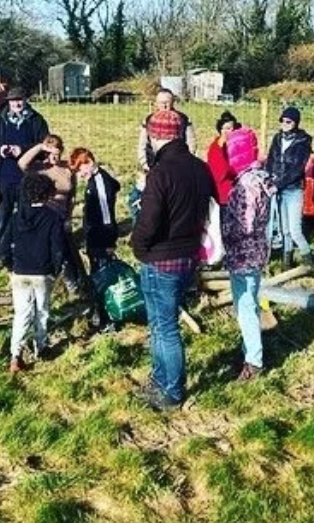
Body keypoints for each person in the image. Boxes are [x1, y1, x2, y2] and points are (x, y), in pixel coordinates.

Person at [131, 109, 214, 411]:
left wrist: (138, 247)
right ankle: (160, 379)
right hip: (188, 256)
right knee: (161, 324)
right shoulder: (200, 168)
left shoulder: (161, 173)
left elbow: (148, 221)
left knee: (164, 327)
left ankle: (171, 391)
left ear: (156, 136)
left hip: (160, 259)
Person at [221, 127, 275, 382]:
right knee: (249, 302)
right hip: (257, 251)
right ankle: (248, 351)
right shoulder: (261, 177)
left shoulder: (245, 184)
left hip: (243, 253)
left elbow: (246, 224)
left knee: (245, 307)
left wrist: (221, 230)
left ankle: (254, 361)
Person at [0, 87, 49, 269]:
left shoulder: (36, 120)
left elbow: (43, 145)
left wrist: (23, 150)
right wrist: (1, 149)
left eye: (19, 100)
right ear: (8, 102)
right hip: (4, 176)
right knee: (2, 217)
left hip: (27, 178)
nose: (16, 104)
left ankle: (22, 253)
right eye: (13, 101)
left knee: (24, 216)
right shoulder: (0, 118)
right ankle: (1, 254)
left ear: (25, 99)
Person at [9, 173, 66, 372]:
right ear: (47, 193)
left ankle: (15, 354)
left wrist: (10, 265)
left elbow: (7, 242)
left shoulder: (17, 216)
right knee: (41, 311)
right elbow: (57, 247)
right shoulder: (52, 217)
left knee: (21, 313)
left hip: (19, 271)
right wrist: (57, 269)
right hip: (42, 272)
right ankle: (40, 347)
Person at [18, 134, 84, 293]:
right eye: (50, 153)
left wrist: (69, 215)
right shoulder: (40, 168)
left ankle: (73, 279)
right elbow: (21, 163)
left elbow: (72, 194)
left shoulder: (67, 169)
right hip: (45, 214)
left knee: (66, 247)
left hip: (61, 215)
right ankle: (55, 277)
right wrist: (40, 147)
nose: (54, 157)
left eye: (57, 153)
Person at [265, 106, 313, 271]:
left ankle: (309, 264)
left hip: (293, 190)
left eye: (288, 121)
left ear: (296, 123)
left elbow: (297, 169)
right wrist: (268, 178)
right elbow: (271, 160)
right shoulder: (277, 138)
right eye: (282, 121)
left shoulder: (303, 141)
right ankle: (287, 265)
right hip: (278, 190)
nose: (284, 124)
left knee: (294, 230)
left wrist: (277, 185)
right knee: (284, 230)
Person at [69, 147, 121, 274]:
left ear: (90, 162)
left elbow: (106, 215)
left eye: (81, 169)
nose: (80, 175)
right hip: (94, 236)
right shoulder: (93, 180)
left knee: (102, 274)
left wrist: (109, 242)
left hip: (101, 239)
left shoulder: (100, 183)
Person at [137, 88, 196, 172]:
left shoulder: (183, 119)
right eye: (161, 102)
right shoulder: (149, 120)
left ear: (172, 102)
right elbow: (142, 143)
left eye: (167, 102)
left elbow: (191, 142)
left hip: (178, 166)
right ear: (156, 103)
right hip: (153, 165)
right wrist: (145, 164)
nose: (164, 106)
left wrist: (186, 162)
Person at [206, 110, 242, 207]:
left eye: (232, 129)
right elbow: (219, 172)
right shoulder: (215, 148)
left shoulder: (239, 145)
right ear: (220, 130)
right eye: (226, 128)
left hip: (237, 191)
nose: (230, 131)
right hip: (222, 193)